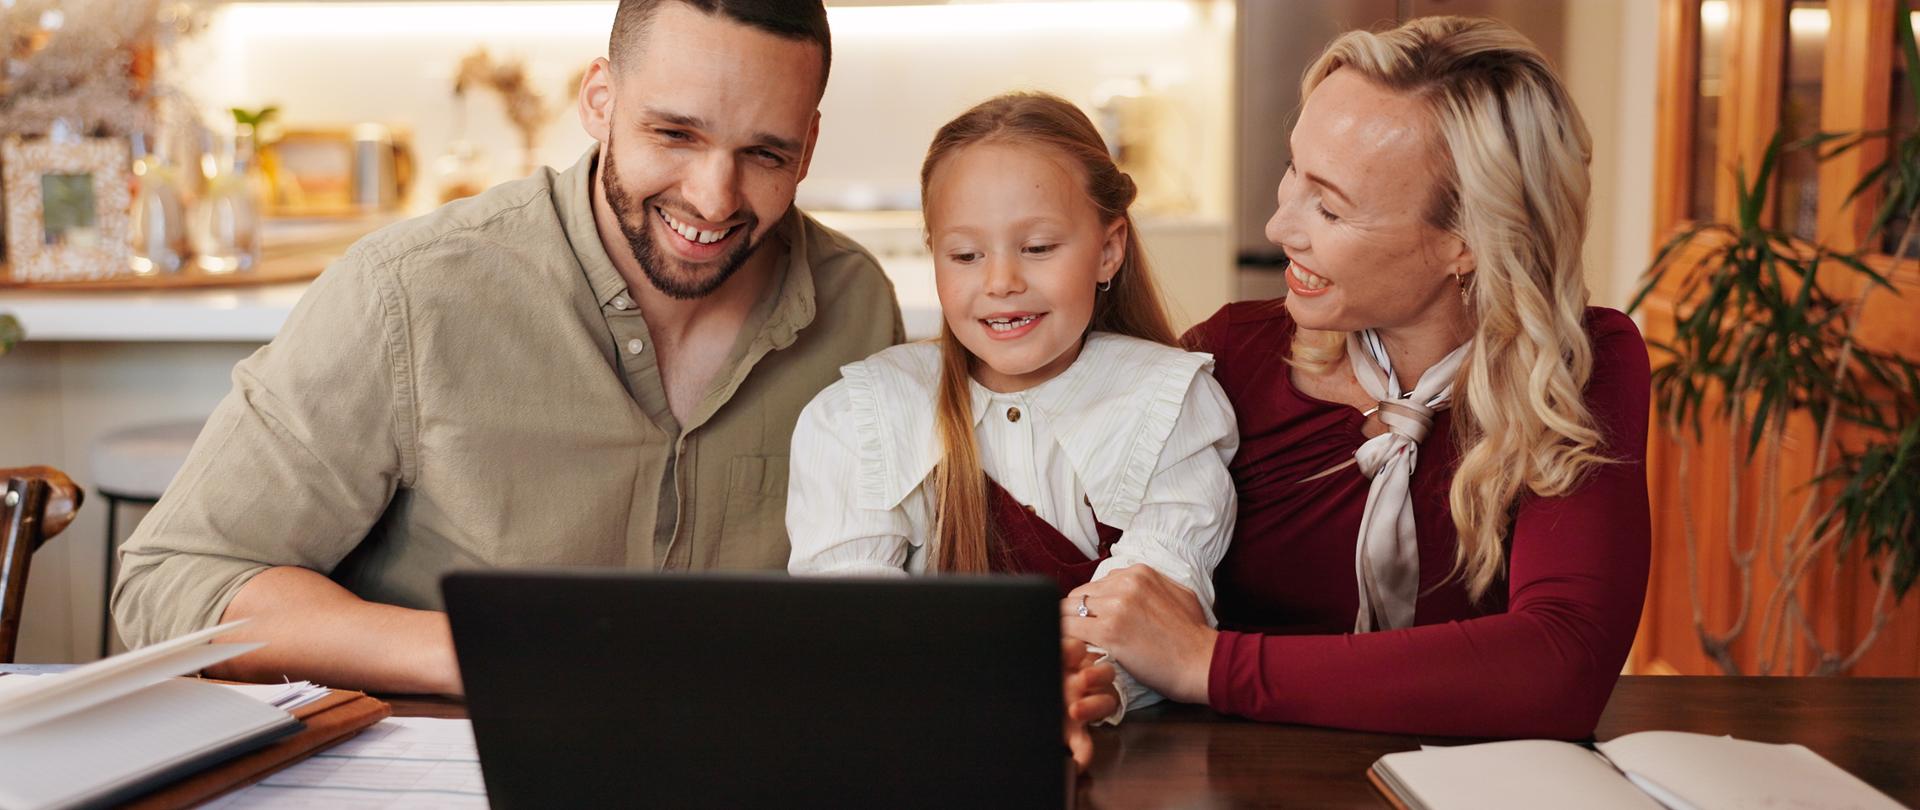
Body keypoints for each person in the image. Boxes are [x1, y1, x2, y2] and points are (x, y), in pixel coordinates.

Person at [111, 0, 903, 694]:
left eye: (765, 154)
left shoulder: (856, 304)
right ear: (599, 99)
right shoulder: (408, 292)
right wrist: (485, 655)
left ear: (808, 143)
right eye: (674, 133)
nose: (712, 197)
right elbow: (174, 581)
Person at [1060, 16, 1652, 740]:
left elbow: (1561, 665)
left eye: (1330, 206)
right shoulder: (1231, 356)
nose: (1280, 226)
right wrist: (1093, 668)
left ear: (1464, 243)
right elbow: (1101, 579)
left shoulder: (1578, 368)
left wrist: (1207, 664)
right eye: (1293, 171)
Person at [785, 92, 1240, 756]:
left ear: (1109, 250)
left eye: (1037, 247)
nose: (1001, 281)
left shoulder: (1173, 401)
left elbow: (1161, 591)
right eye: (965, 255)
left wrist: (1083, 684)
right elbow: (853, 619)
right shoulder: (858, 416)